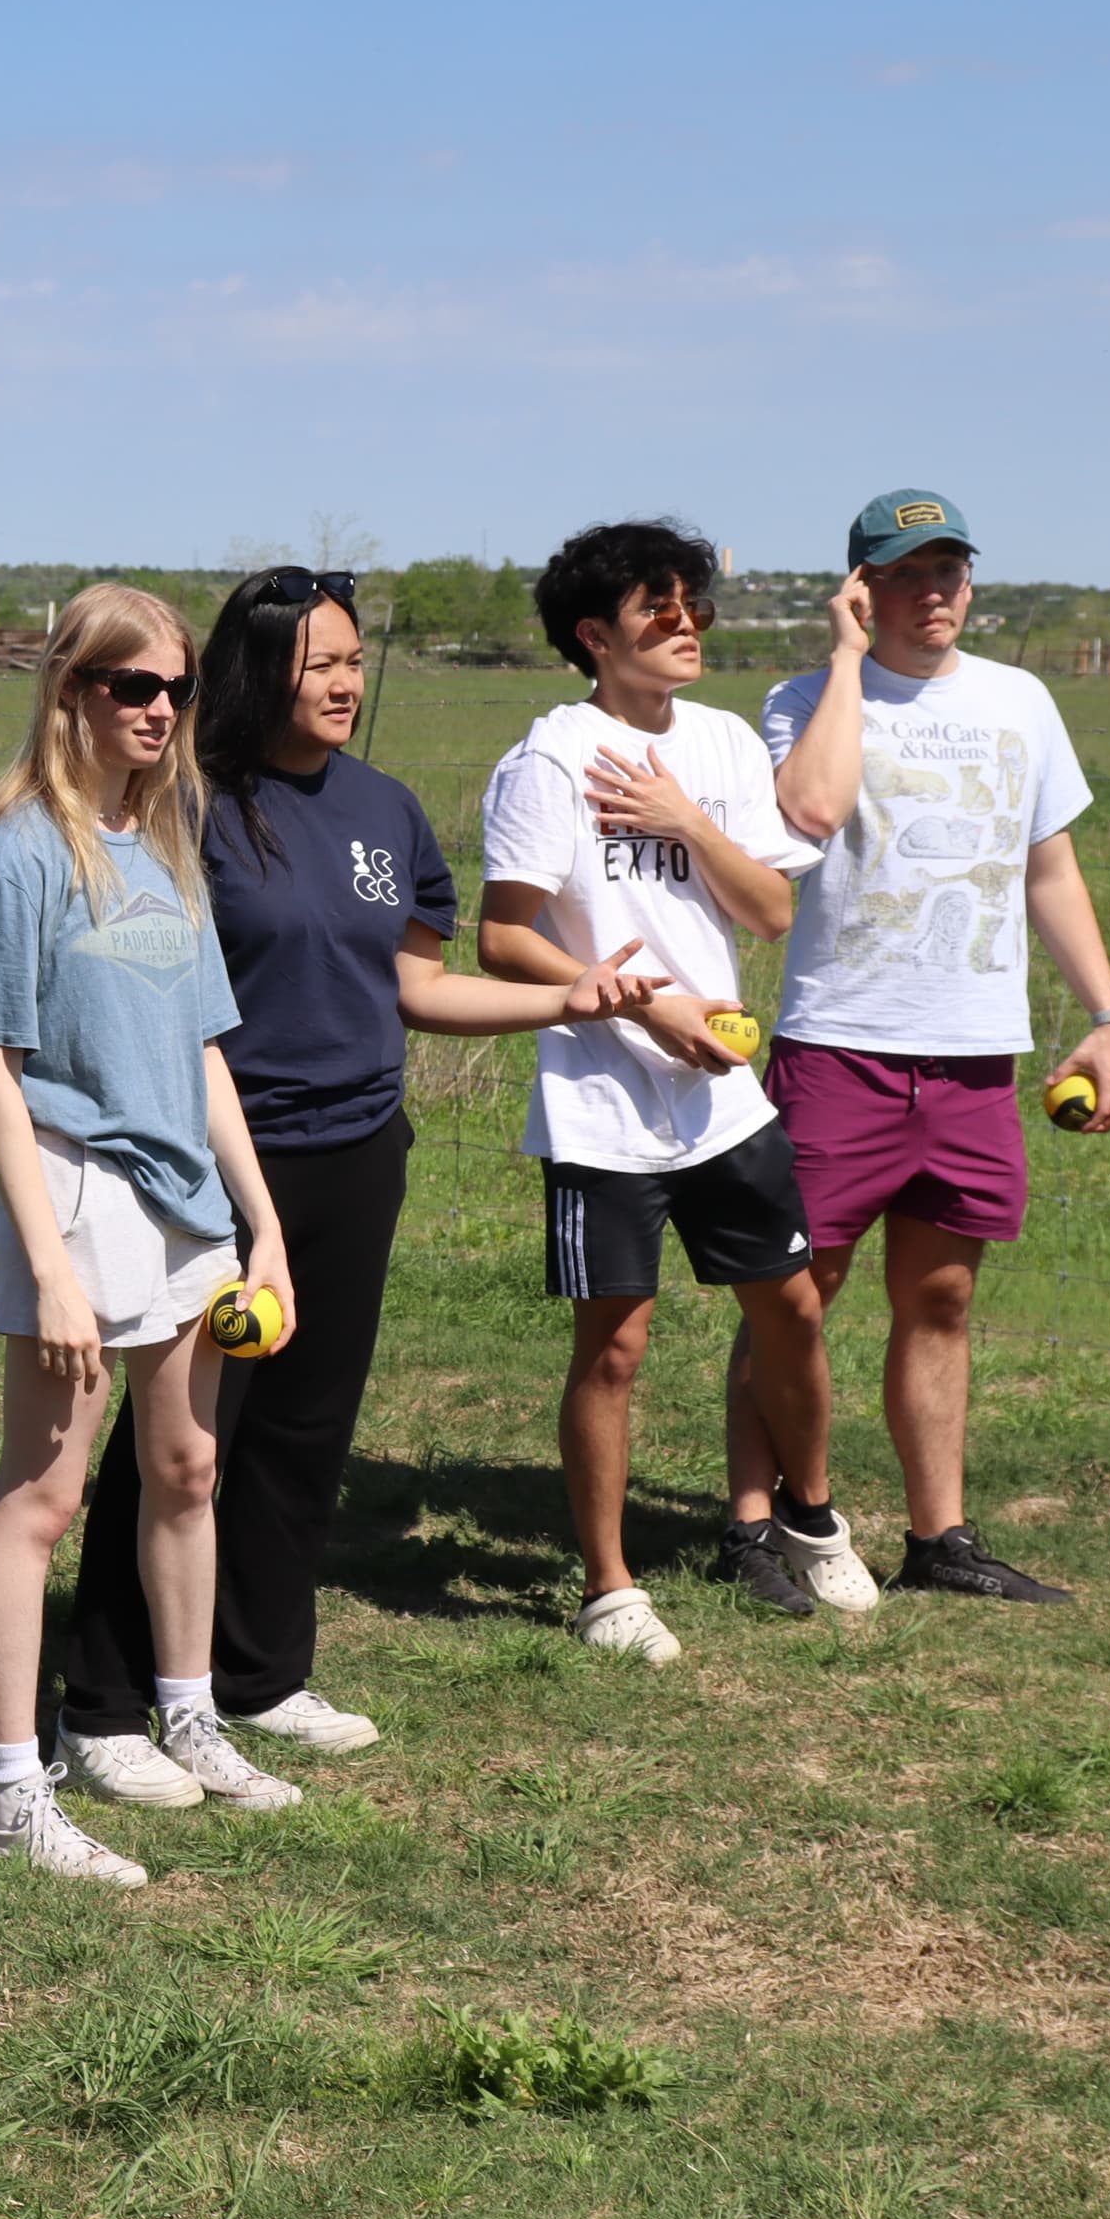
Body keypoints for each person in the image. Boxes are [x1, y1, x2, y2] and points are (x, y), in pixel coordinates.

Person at [54, 567, 658, 1767]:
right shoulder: (191, 805)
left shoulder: (383, 807)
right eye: (319, 660)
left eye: (353, 658)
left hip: (358, 1153)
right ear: (260, 667)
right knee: (181, 1439)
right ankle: (108, 1705)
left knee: (305, 1431)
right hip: (225, 1161)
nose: (345, 680)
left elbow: (416, 985)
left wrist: (569, 997)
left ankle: (261, 1675)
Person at [0, 582, 302, 1885]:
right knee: (40, 1498)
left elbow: (206, 1054)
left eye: (175, 689)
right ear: (72, 692)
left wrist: (261, 1227)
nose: (159, 710)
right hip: (78, 1194)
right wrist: (47, 1261)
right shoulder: (22, 853)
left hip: (186, 1210)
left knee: (188, 1471)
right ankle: (12, 1788)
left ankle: (191, 1715)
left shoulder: (161, 847)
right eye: (131, 687)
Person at [725, 490, 1110, 1605]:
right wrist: (849, 658)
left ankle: (938, 1539)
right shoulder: (805, 699)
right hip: (840, 1042)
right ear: (862, 585)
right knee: (798, 1292)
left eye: (951, 567)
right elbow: (804, 817)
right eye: (909, 571)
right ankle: (757, 1526)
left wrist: (1108, 1015)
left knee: (942, 1297)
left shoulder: (1021, 700)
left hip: (972, 1052)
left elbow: (1048, 867)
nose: (937, 588)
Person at [475, 519, 873, 1661]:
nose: (687, 622)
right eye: (660, 608)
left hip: (725, 1100)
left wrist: (687, 820)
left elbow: (771, 910)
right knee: (617, 1344)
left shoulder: (722, 744)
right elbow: (505, 938)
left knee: (791, 1306)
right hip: (604, 1103)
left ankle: (809, 1514)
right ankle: (611, 1589)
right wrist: (645, 1005)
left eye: (692, 602)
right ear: (596, 636)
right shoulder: (550, 760)